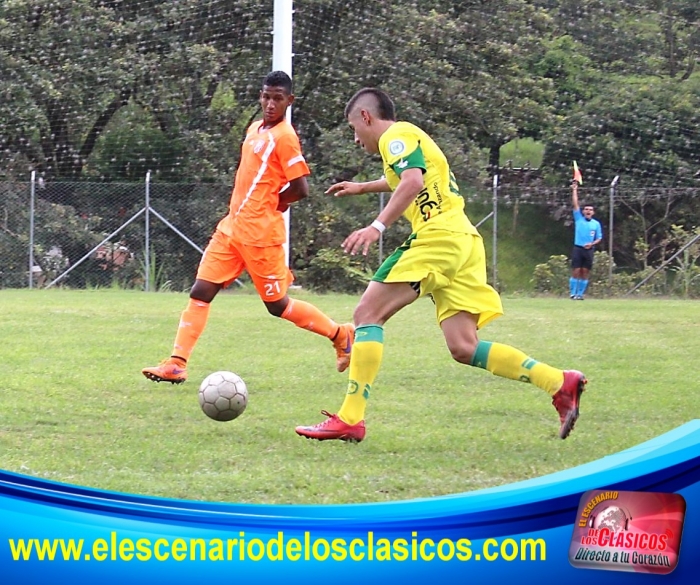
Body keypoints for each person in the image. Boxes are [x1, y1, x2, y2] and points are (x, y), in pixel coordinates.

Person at [295, 87, 586, 443]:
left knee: (367, 315)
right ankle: (559, 382)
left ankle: (351, 419)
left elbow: (412, 182)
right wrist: (362, 188)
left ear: (367, 117)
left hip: (439, 237)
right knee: (464, 347)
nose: (356, 138)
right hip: (464, 239)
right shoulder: (406, 140)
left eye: (354, 128)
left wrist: (376, 226)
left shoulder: (395, 135)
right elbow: (406, 176)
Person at [142, 71, 353, 384]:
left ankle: (340, 334)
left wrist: (276, 204)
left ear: (289, 101)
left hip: (260, 236)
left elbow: (301, 188)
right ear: (260, 95)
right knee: (201, 291)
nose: (270, 103)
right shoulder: (255, 128)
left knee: (277, 306)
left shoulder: (285, 136)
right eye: (266, 96)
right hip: (231, 228)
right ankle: (176, 363)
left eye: (278, 98)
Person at [569, 181, 603, 300]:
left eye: (590, 210)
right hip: (578, 248)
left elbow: (599, 238)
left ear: (593, 212)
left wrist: (591, 244)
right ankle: (573, 293)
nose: (588, 211)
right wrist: (574, 190)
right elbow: (575, 204)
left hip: (588, 250)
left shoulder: (596, 224)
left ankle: (580, 294)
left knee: (585, 271)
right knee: (576, 270)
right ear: (583, 212)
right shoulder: (579, 219)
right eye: (586, 209)